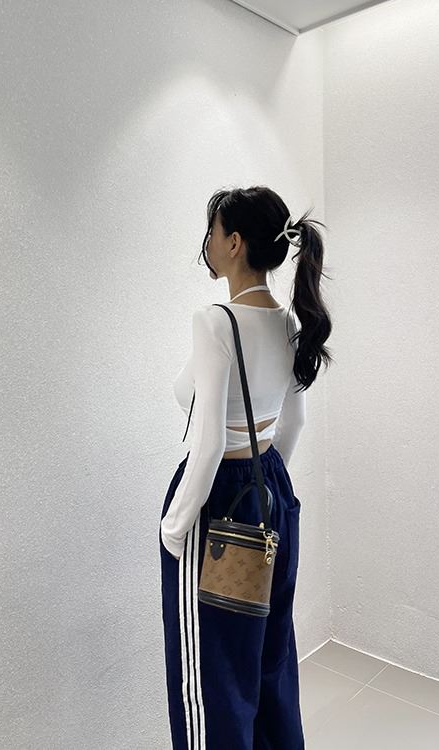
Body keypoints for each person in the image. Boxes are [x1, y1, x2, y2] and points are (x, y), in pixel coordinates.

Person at [158, 186, 333, 750]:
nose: (207, 243)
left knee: (210, 677)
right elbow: (293, 423)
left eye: (212, 232)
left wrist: (173, 529)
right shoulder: (289, 322)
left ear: (234, 243)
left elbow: (209, 444)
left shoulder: (214, 321)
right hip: (271, 491)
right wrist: (266, 489)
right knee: (269, 656)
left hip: (217, 504)